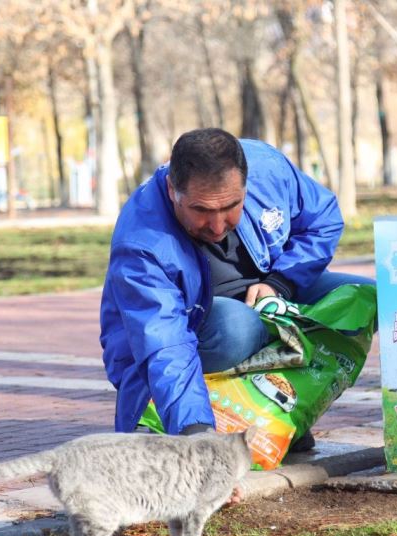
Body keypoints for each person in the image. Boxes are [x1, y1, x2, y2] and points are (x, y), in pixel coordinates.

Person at [100, 128, 374, 450]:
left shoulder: (268, 168)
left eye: (231, 206)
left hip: (270, 296)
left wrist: (280, 283)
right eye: (201, 210)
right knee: (237, 327)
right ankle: (216, 416)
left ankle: (280, 416)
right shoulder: (143, 242)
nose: (217, 226)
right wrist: (196, 434)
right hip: (187, 334)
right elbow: (165, 344)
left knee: (363, 296)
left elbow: (322, 220)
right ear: (173, 190)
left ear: (247, 183)